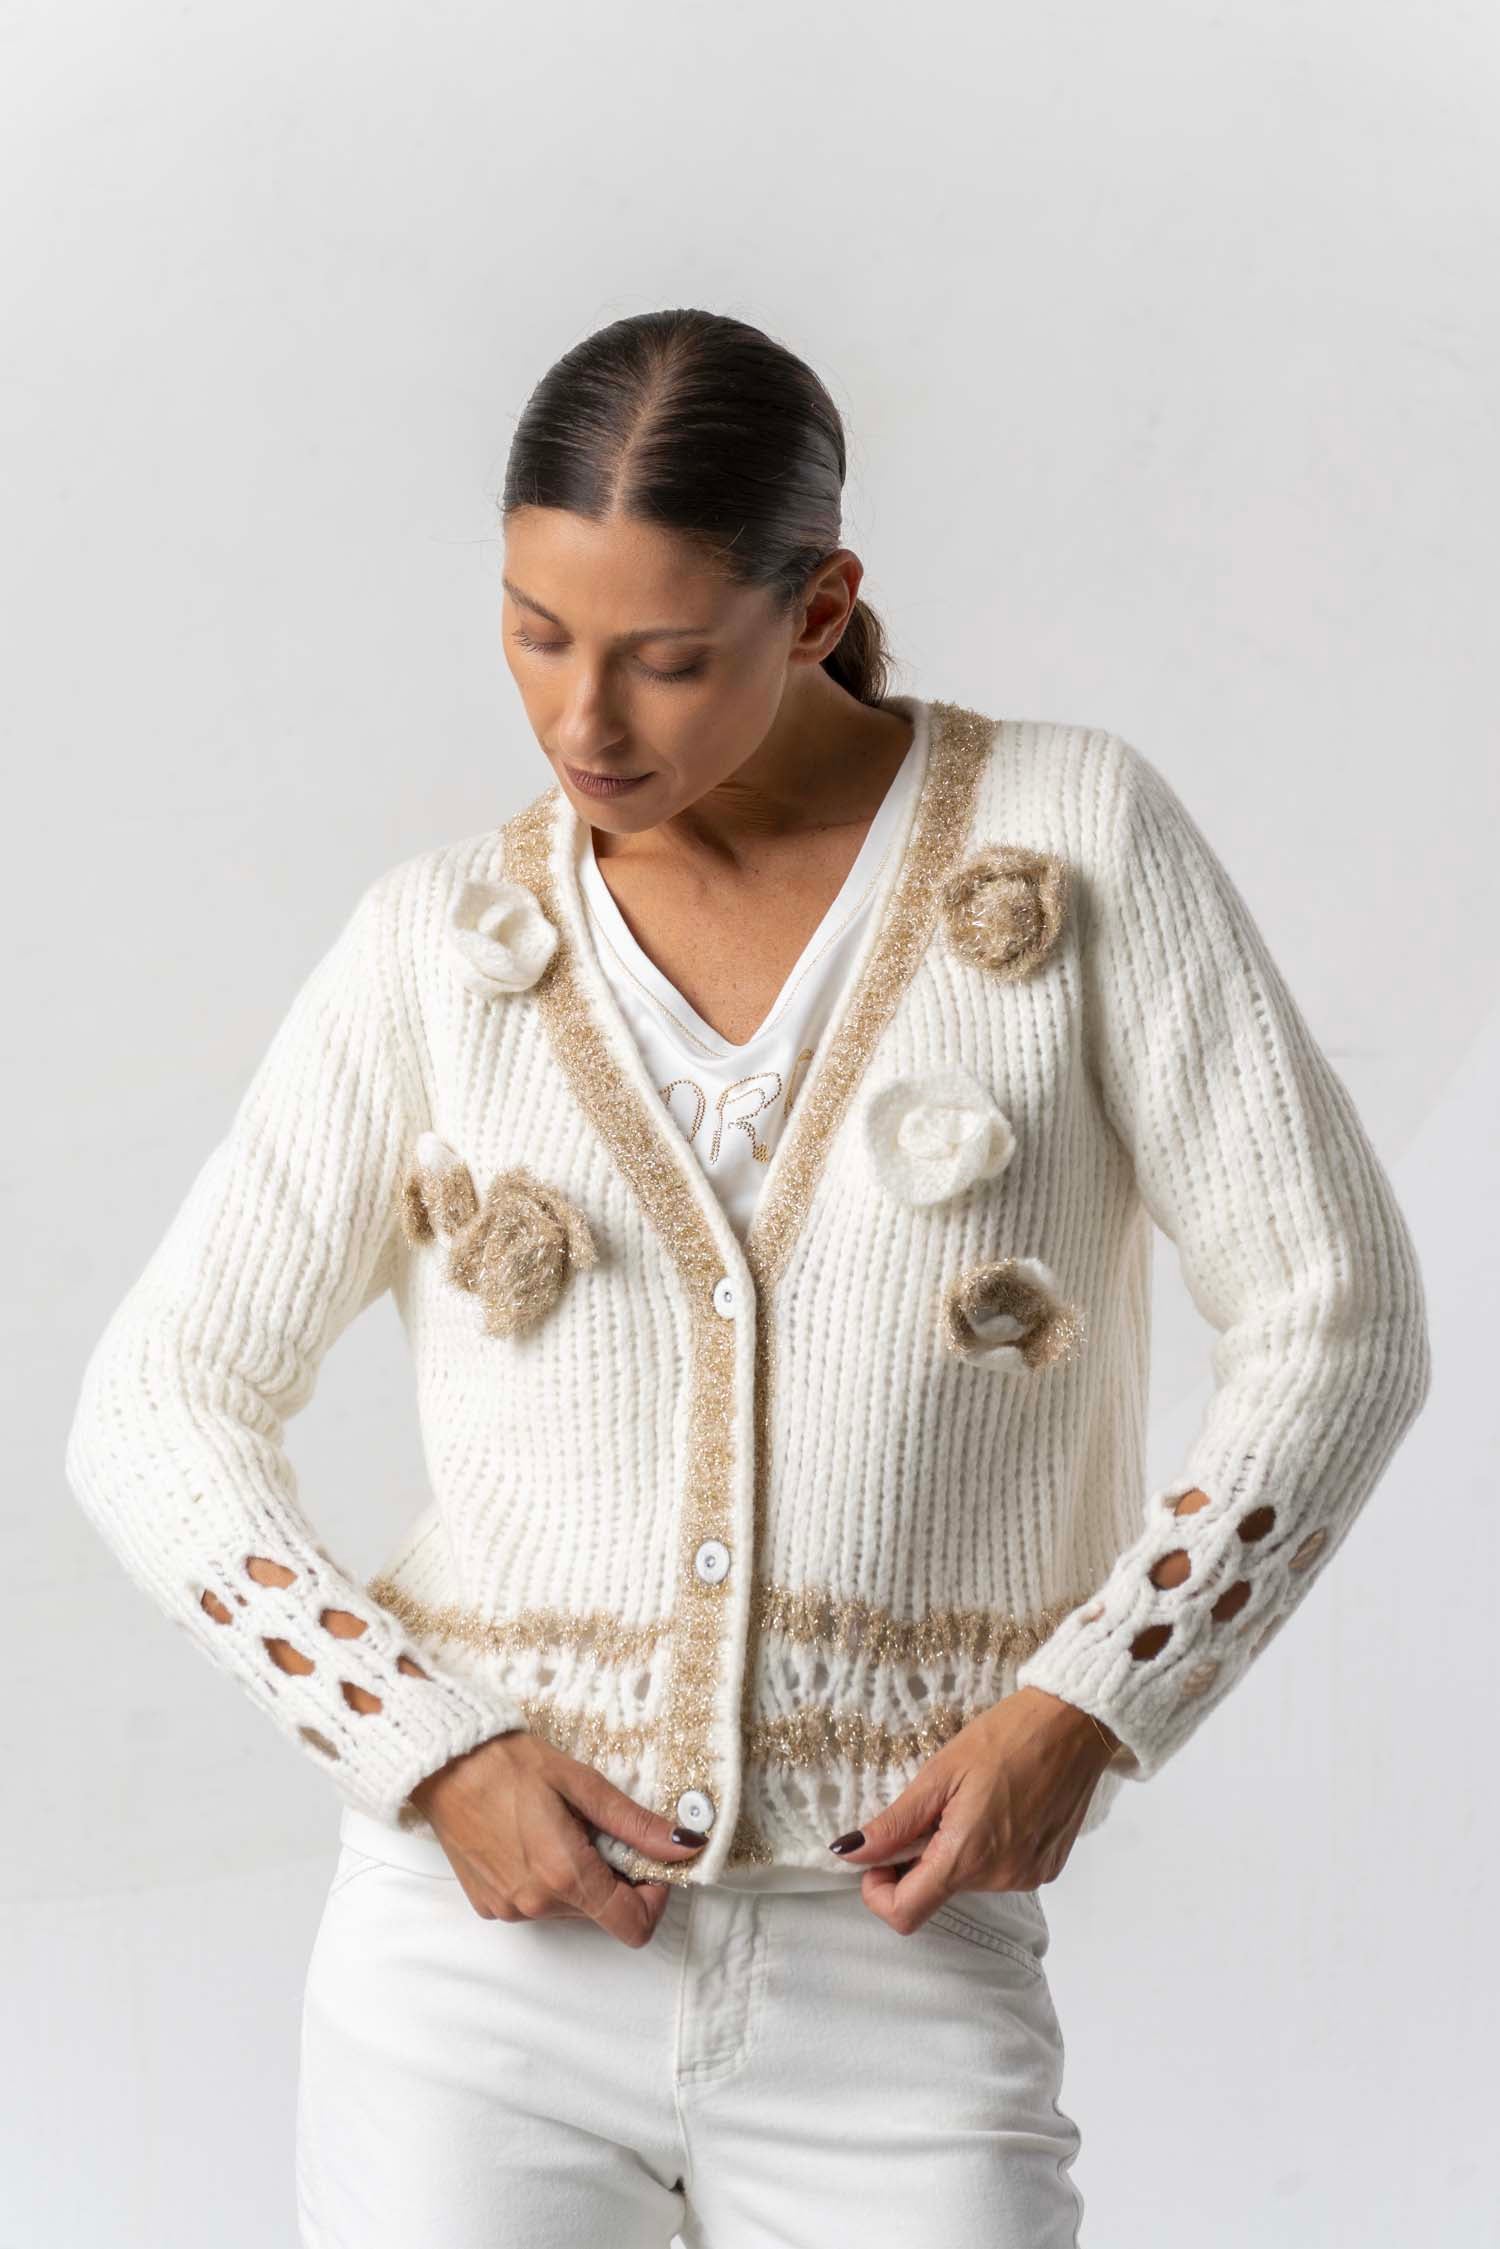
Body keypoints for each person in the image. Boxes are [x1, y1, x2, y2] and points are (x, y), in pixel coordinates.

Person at [65, 307, 1432, 2247]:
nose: (583, 721)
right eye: (536, 633)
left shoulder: (1072, 843)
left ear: (818, 610)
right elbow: (155, 1407)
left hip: (897, 1956)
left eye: (665, 656)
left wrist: (1091, 1704)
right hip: (476, 1963)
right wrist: (426, 1747)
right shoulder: (436, 950)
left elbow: (1340, 1316)